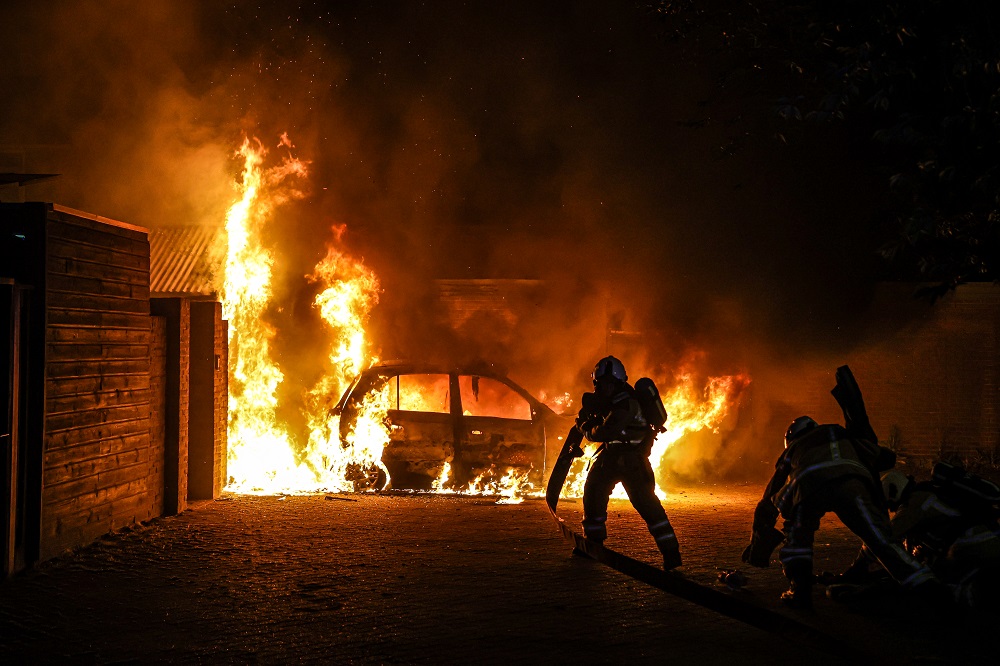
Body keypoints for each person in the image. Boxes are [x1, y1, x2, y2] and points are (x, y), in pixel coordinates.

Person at [744, 415, 942, 609]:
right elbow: (884, 457)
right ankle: (927, 587)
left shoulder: (793, 448)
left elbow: (771, 491)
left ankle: (800, 592)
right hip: (851, 485)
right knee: (879, 538)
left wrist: (759, 537)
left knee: (798, 538)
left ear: (791, 438)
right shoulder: (838, 432)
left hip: (808, 489)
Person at [571, 356, 682, 570]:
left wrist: (584, 427)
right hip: (612, 457)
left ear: (615, 382)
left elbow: (605, 431)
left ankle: (671, 554)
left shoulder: (626, 403)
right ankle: (592, 545)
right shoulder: (612, 400)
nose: (599, 388)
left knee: (648, 507)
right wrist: (591, 415)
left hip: (632, 462)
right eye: (598, 384)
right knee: (593, 494)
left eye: (603, 383)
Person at [833, 468, 1000, 610]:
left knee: (944, 591)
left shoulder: (916, 502)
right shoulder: (925, 496)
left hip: (973, 544)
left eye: (892, 506)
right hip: (979, 543)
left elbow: (882, 538)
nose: (894, 511)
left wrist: (855, 570)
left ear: (893, 491)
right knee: (954, 586)